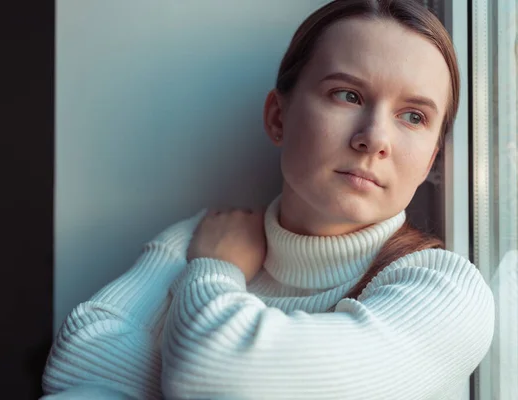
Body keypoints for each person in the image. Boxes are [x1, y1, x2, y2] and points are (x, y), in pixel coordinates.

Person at [42, 0, 495, 399]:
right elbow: (77, 364)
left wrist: (215, 271)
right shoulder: (207, 233)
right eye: (348, 94)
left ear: (431, 157)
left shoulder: (445, 291)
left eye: (413, 116)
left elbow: (223, 379)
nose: (375, 139)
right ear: (278, 118)